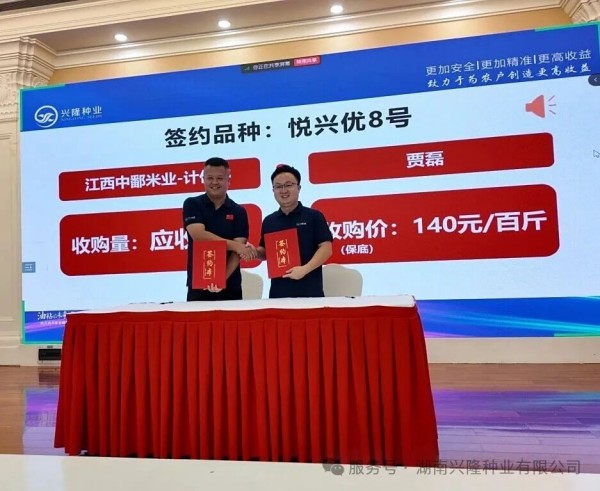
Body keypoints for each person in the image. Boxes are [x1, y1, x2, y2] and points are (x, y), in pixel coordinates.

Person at [183, 157, 256, 301]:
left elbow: (237, 252)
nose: (215, 182)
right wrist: (237, 246)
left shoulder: (239, 211)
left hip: (230, 286)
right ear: (203, 179)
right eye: (210, 178)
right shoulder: (192, 204)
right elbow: (198, 235)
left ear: (229, 180)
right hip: (198, 285)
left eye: (220, 178)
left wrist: (222, 279)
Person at [257, 164, 333, 298]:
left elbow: (326, 248)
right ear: (273, 190)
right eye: (278, 186)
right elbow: (265, 253)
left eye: (288, 185)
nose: (283, 190)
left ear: (299, 188)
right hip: (278, 294)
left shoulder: (314, 216)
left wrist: (304, 269)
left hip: (310, 293)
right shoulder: (269, 221)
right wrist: (253, 252)